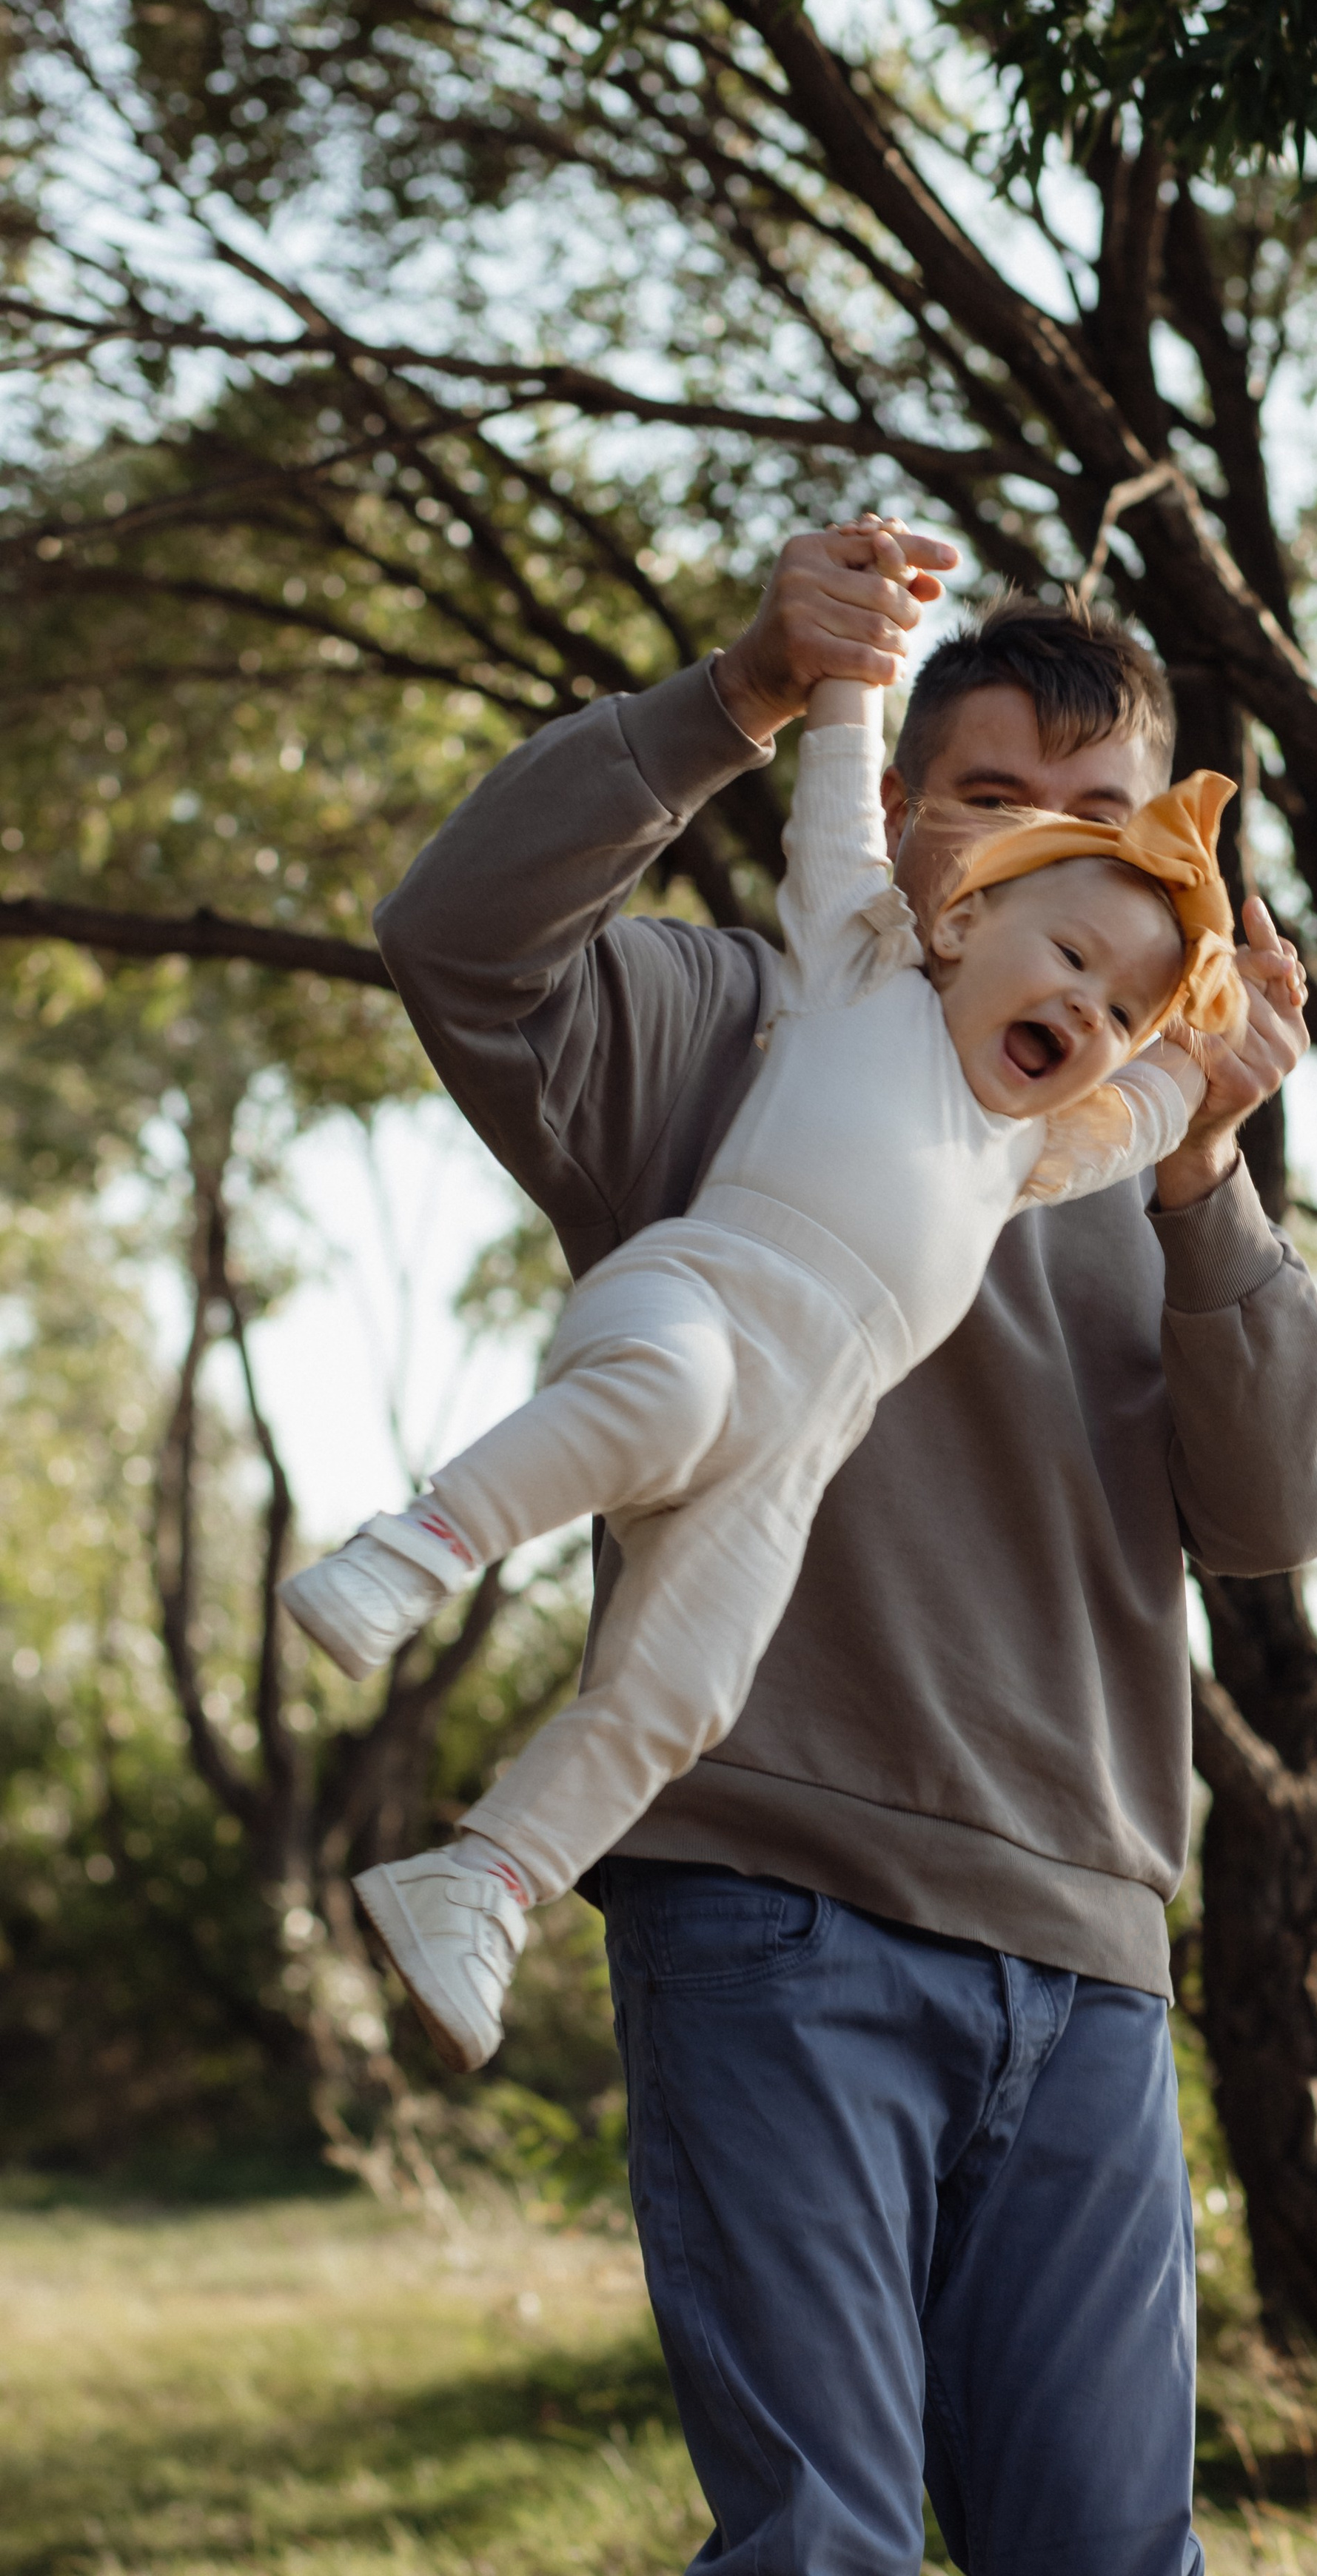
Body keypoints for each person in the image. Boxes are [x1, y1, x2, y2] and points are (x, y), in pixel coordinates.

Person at [366, 517, 1317, 2576]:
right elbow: (455, 935)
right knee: (819, 2543)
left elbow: (1280, 1519)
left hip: (1083, 1953)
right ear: (903, 820)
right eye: (989, 802)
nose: (1041, 859)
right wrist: (740, 691)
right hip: (768, 1910)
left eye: (1102, 827)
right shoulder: (733, 1021)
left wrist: (1209, 1173)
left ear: (1174, 890)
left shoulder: (1134, 1136)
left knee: (1107, 2554)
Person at [283, 632, 1250, 2075]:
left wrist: (1219, 1057)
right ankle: (416, 1546)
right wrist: (825, 672)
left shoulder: (1032, 1153)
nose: (1083, 1005)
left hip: (790, 1474)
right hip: (692, 1317)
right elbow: (825, 794)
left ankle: (479, 1881)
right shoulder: (846, 967)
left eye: (1119, 1002)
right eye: (1004, 814)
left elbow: (1152, 1102)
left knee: (685, 1690)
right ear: (941, 882)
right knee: (672, 1396)